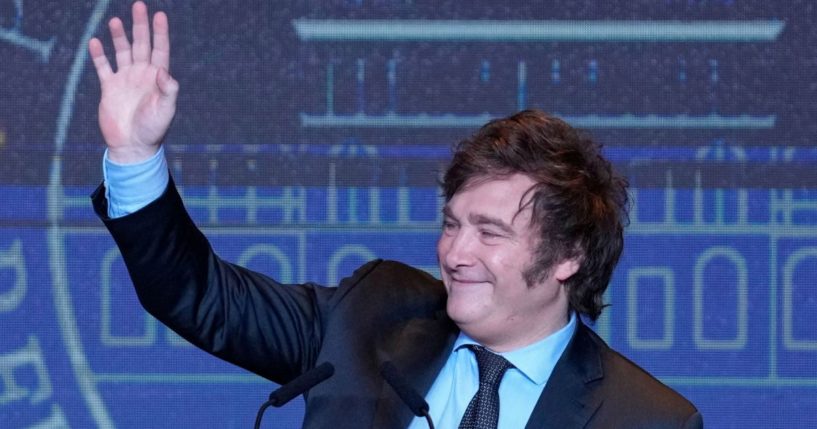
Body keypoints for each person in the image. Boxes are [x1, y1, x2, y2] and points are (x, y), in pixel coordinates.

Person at [89, 2, 702, 428]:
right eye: (452, 223)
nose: (456, 253)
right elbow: (198, 295)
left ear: (569, 254)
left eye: (490, 232)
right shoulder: (368, 315)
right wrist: (135, 154)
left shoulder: (646, 418)